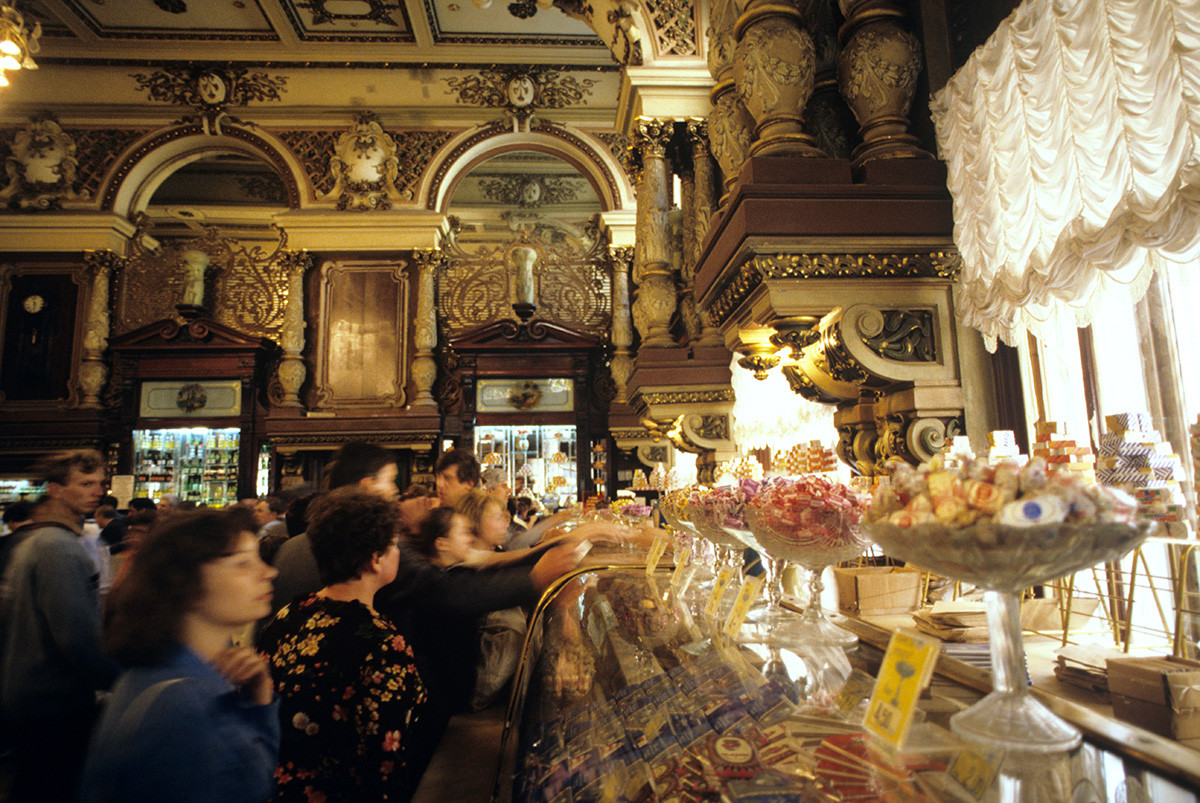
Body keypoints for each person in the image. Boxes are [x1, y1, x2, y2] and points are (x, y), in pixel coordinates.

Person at [80, 507, 279, 802]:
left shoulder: (159, 672)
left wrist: (260, 700)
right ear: (185, 581)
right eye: (242, 563)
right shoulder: (189, 707)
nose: (269, 571)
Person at [259, 487, 427, 802]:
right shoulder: (382, 641)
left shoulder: (287, 615)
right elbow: (385, 758)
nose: (398, 552)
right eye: (393, 545)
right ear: (375, 560)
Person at [0, 450, 120, 802]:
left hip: (28, 695)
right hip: (54, 700)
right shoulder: (59, 548)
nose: (98, 490)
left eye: (100, 482)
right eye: (85, 483)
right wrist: (119, 681)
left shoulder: (38, 541)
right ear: (55, 490)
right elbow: (77, 638)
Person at [268, 441, 399, 620]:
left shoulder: (290, 548)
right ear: (367, 485)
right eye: (390, 480)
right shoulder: (368, 550)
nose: (395, 490)